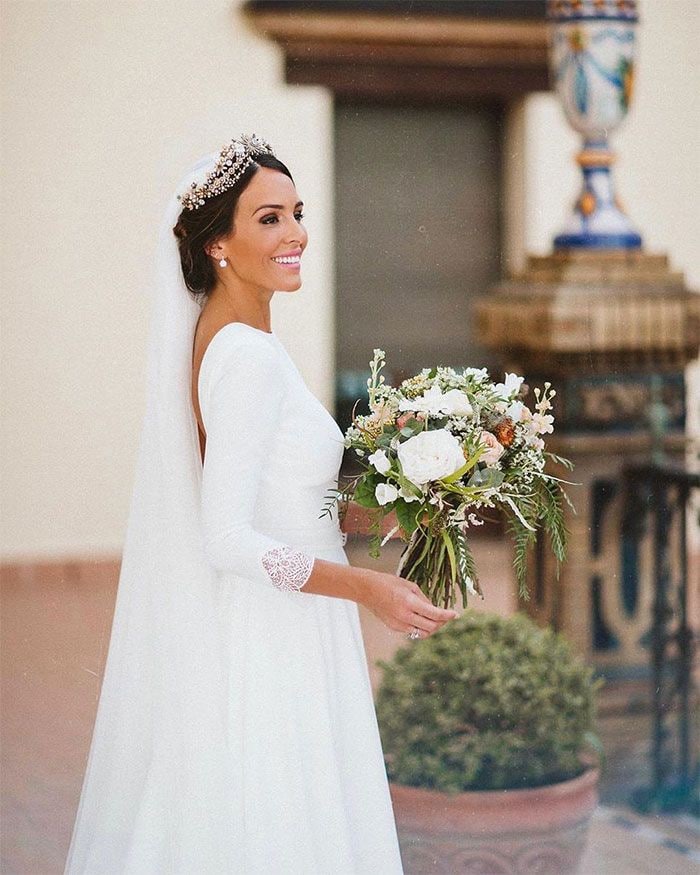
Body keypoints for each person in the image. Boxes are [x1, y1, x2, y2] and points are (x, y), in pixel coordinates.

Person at [63, 134, 458, 874]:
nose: (296, 233)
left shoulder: (240, 341)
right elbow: (226, 538)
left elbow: (289, 500)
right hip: (275, 635)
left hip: (289, 618)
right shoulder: (243, 357)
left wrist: (398, 512)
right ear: (219, 243)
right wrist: (368, 586)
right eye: (270, 218)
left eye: (297, 213)